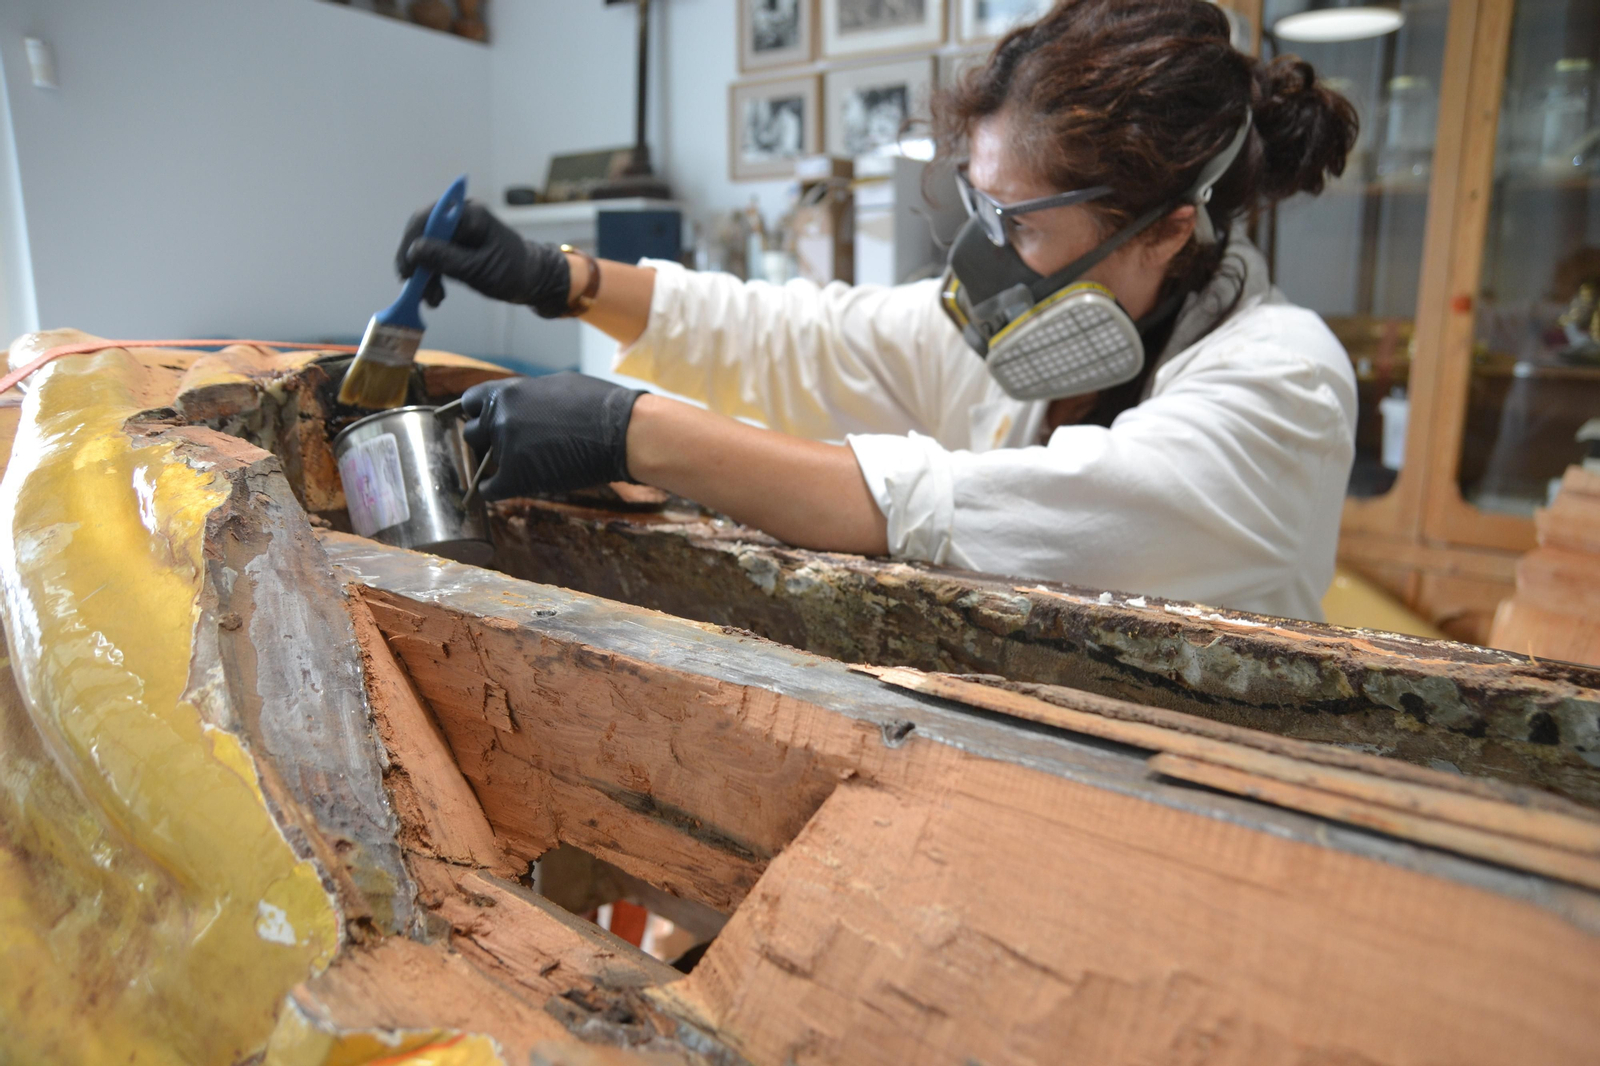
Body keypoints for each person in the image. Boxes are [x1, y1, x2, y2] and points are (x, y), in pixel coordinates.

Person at [394, 0, 1359, 620]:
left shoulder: (1286, 383)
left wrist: (633, 431)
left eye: (1018, 223)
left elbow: (951, 507)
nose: (989, 253)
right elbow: (802, 337)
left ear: (1164, 230)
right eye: (979, 206)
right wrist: (562, 279)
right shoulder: (1018, 327)